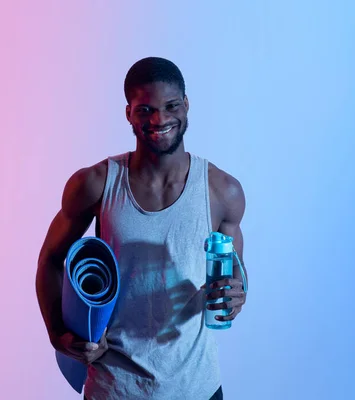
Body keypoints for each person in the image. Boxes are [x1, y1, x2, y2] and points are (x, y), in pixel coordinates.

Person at [36, 57, 248, 400]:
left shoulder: (222, 191)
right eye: (145, 109)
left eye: (171, 106)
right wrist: (58, 333)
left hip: (198, 388)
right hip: (115, 387)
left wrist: (237, 295)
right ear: (128, 113)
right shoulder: (95, 184)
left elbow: (234, 274)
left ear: (187, 105)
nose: (159, 119)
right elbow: (50, 259)